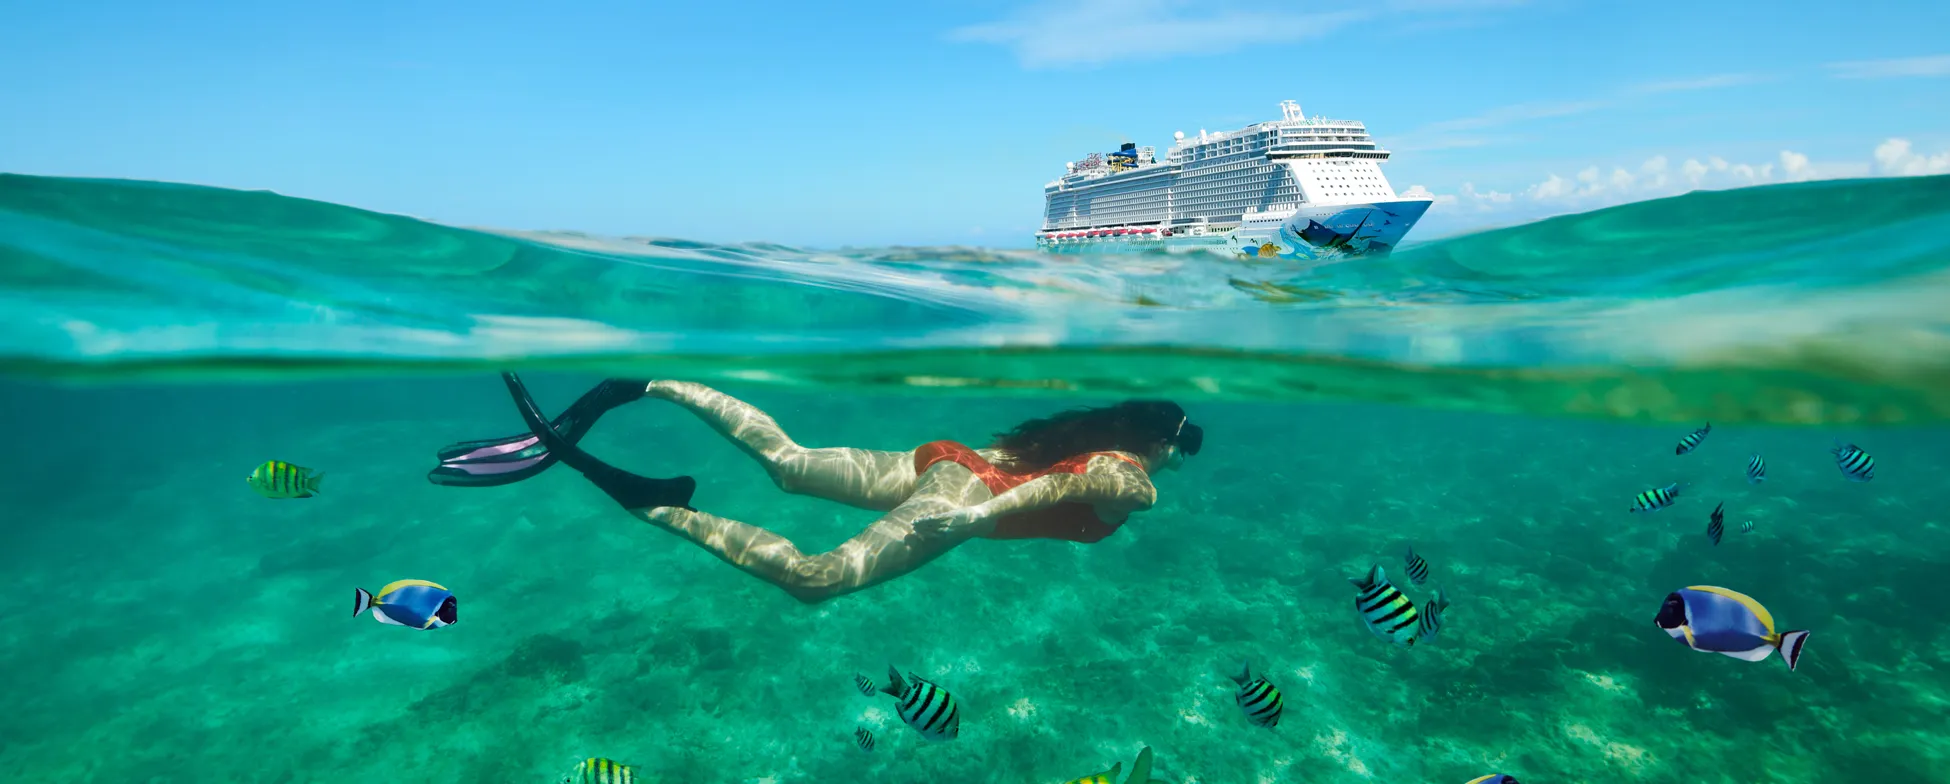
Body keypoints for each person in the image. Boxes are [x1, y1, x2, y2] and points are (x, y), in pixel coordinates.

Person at [431, 374, 1203, 605]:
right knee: (815, 579)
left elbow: (1048, 466)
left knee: (790, 464)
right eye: (1179, 449)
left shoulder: (1074, 432)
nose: (1175, 463)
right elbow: (1068, 485)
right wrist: (978, 515)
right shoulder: (1132, 479)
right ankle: (658, 506)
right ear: (1157, 444)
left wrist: (974, 492)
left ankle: (653, 385)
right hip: (964, 501)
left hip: (948, 463)